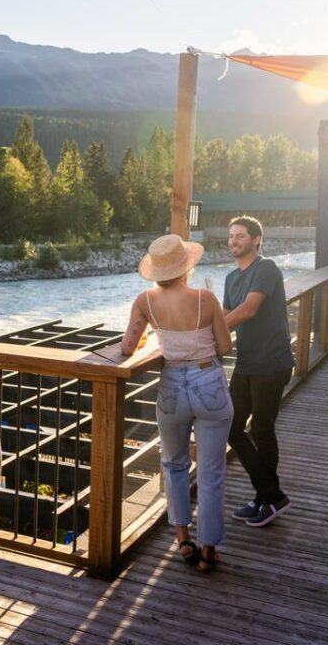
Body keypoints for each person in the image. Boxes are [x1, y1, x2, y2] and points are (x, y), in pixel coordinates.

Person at [120, 234, 232, 573]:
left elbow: (127, 346)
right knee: (211, 472)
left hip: (171, 385)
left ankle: (183, 539)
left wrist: (158, 339)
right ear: (187, 266)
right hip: (207, 382)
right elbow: (224, 346)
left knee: (174, 464)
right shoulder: (205, 298)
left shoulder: (145, 301)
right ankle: (209, 549)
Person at [223, 216, 295, 528]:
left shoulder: (266, 268)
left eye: (240, 236)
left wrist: (211, 328)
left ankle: (269, 497)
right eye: (231, 236)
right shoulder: (230, 278)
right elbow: (227, 315)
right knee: (231, 427)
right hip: (247, 362)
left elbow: (249, 309)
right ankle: (267, 494)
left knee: (261, 429)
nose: (233, 241)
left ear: (256, 240)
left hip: (272, 362)